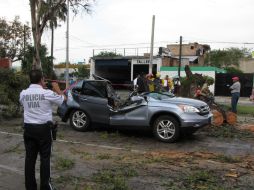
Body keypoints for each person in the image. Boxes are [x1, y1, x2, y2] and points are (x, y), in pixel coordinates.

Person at [19, 70, 66, 190]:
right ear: (41, 80)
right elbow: (63, 100)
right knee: (45, 158)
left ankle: (30, 187)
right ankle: (45, 187)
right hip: (43, 130)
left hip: (28, 129)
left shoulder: (23, 93)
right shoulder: (47, 93)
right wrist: (56, 88)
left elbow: (24, 103)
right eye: (44, 80)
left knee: (30, 159)